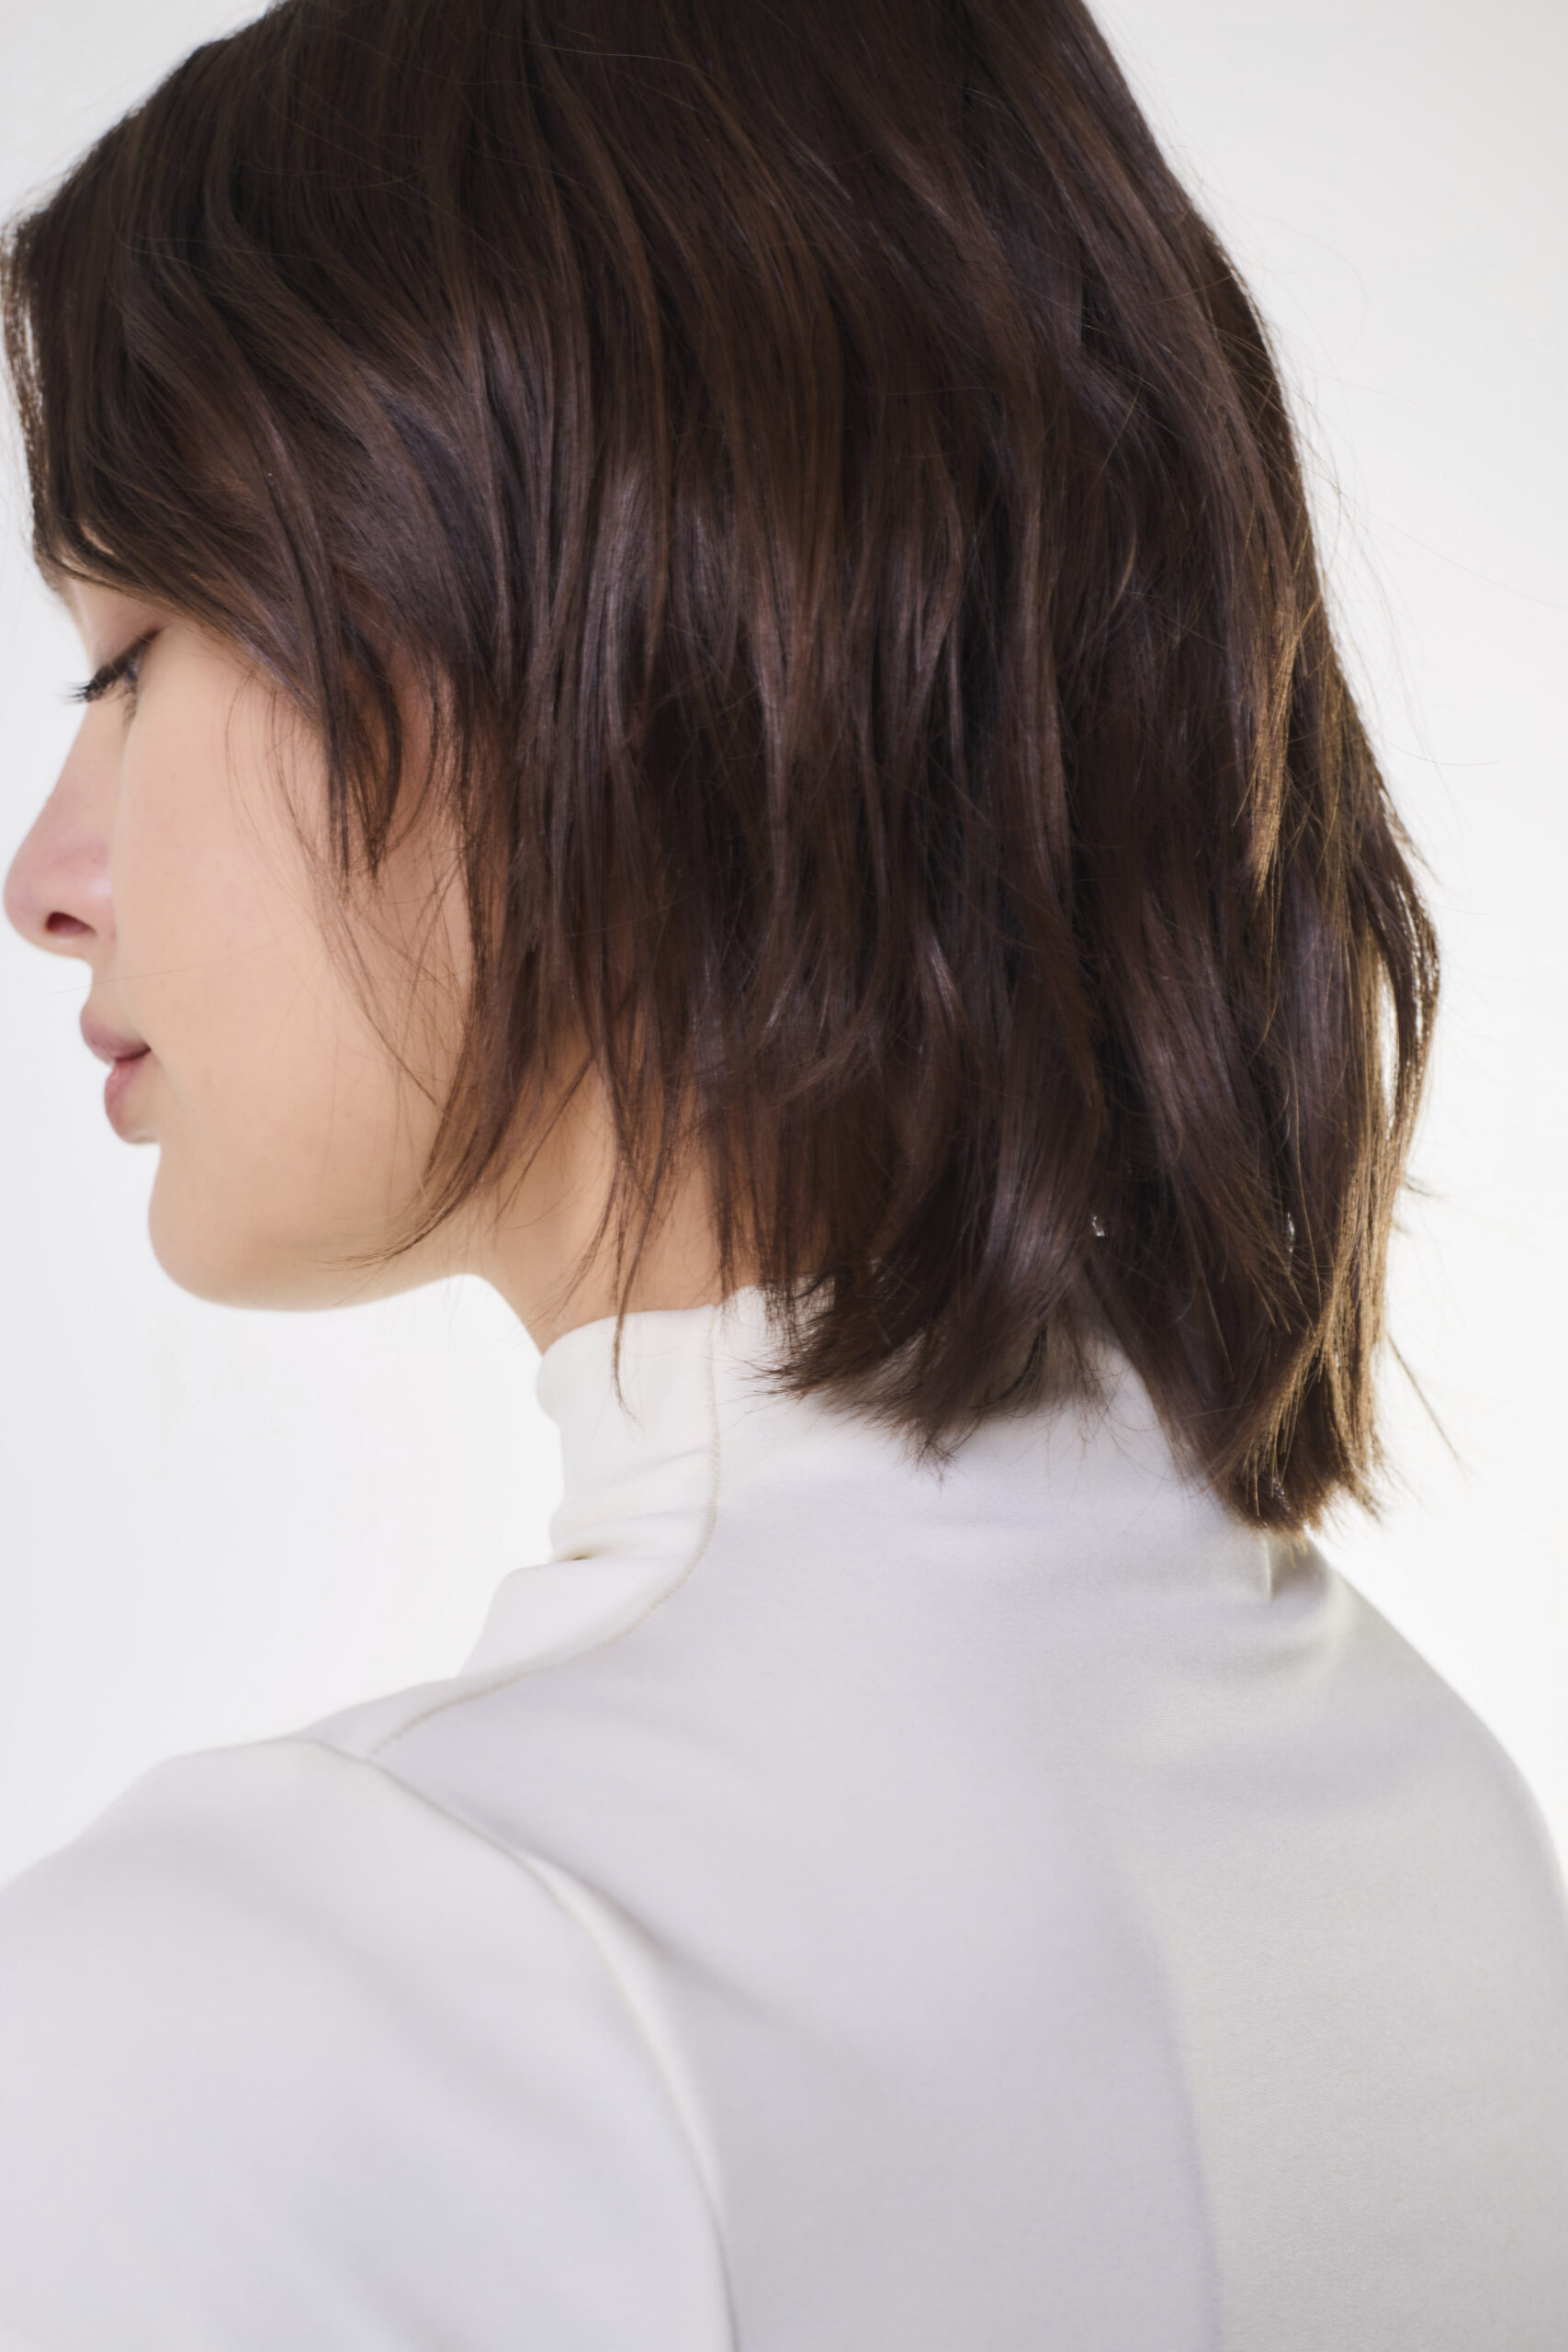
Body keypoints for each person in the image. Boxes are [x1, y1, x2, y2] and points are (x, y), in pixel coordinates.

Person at [1, 0, 1565, 2342]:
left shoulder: (266, 2021)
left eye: (123, 658)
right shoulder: (1433, 1823)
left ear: (575, 632)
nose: (48, 876)